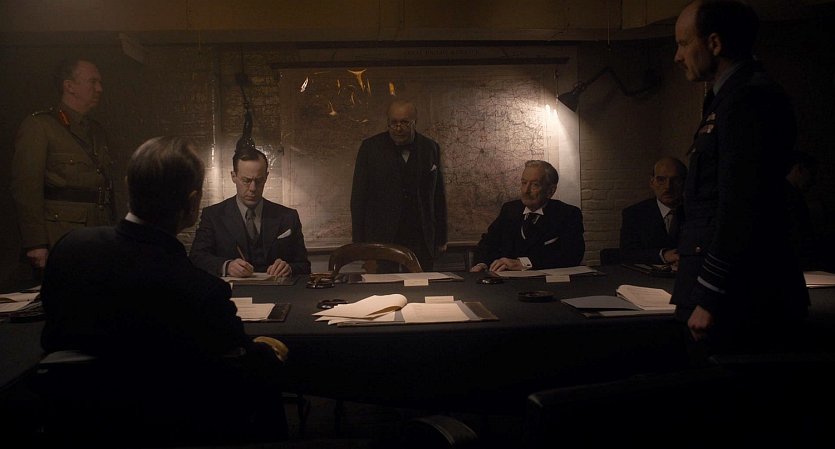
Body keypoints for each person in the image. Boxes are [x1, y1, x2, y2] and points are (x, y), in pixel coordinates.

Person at [39, 136, 289, 445]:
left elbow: (51, 341)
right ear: (193, 204)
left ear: (129, 186)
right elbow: (243, 367)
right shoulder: (201, 291)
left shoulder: (69, 250)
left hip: (76, 428)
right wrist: (268, 350)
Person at [671, 0, 809, 357]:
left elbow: (742, 204)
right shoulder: (727, 97)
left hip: (738, 299)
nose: (677, 56)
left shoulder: (749, 98)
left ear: (714, 44)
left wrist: (710, 294)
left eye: (684, 43)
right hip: (728, 292)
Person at [10, 58, 115, 272]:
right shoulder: (40, 126)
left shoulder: (96, 131)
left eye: (100, 83)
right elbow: (26, 188)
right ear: (69, 86)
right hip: (61, 234)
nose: (99, 89)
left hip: (97, 232)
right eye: (93, 82)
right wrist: (36, 243)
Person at [350, 99, 448, 271]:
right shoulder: (370, 148)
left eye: (404, 122)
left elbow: (438, 196)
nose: (398, 128)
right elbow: (358, 198)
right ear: (387, 122)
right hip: (382, 239)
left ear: (415, 122)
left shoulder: (430, 148)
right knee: (384, 286)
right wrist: (360, 244)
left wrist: (441, 238)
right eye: (393, 123)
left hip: (421, 239)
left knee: (421, 284)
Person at [190, 146, 311, 277]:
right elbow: (197, 258)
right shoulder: (213, 216)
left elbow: (304, 265)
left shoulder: (288, 217)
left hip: (277, 288)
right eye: (246, 181)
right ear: (233, 176)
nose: (253, 188)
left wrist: (289, 268)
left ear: (266, 177)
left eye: (259, 180)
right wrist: (227, 266)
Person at [470, 160, 585, 272]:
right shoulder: (509, 210)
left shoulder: (568, 214)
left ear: (551, 191)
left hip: (545, 282)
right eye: (524, 183)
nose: (526, 190)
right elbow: (488, 242)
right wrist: (482, 263)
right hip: (507, 282)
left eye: (535, 185)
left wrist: (524, 263)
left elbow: (572, 255)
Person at [619, 156, 687, 266]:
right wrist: (663, 255)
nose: (668, 187)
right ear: (652, 182)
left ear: (685, 183)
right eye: (661, 180)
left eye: (675, 180)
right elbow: (627, 254)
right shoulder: (635, 214)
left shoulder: (697, 213)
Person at [785, 150, 820, 270]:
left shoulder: (790, 195)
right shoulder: (791, 197)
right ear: (799, 169)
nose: (813, 180)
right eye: (811, 174)